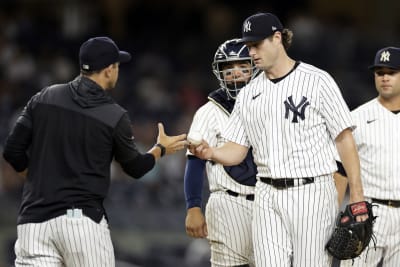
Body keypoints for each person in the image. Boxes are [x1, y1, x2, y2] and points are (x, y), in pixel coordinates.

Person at [189, 12, 367, 267]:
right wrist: (211, 153)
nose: (251, 52)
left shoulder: (317, 80)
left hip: (312, 192)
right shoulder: (249, 93)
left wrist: (357, 194)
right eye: (249, 45)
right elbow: (237, 150)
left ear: (277, 38)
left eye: (257, 44)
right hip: (267, 194)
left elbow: (344, 138)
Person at [2, 36, 187, 267]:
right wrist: (160, 149)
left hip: (34, 222)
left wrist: (32, 178)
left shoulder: (44, 97)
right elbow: (135, 168)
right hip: (80, 223)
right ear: (109, 70)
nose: (117, 71)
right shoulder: (113, 114)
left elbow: (12, 150)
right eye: (117, 66)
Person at [184, 38, 259, 266]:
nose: (235, 74)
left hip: (268, 200)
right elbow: (194, 164)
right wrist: (193, 207)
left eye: (242, 67)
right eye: (229, 68)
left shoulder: (268, 103)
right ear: (219, 73)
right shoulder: (209, 111)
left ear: (254, 69)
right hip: (228, 202)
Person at [340, 47, 400, 266]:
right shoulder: (356, 118)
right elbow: (339, 171)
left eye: (391, 72)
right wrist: (329, 218)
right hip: (367, 212)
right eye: (379, 72)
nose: (384, 77)